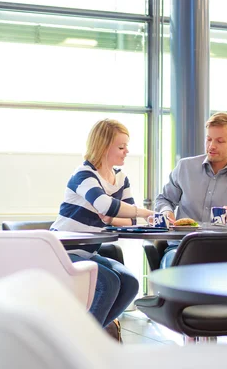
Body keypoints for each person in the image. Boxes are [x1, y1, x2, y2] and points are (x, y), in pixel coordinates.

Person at [154, 112, 227, 347]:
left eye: (219, 141)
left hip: (223, 256)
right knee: (192, 271)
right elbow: (163, 199)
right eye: (209, 139)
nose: (211, 146)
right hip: (182, 252)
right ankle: (199, 344)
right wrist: (166, 212)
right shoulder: (185, 168)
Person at [51, 118, 154, 338]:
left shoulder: (120, 179)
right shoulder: (83, 175)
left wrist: (111, 220)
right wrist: (143, 212)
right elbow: (106, 204)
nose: (127, 151)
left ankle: (86, 336)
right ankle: (84, 344)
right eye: (121, 146)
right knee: (108, 282)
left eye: (127, 145)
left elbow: (129, 220)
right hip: (61, 252)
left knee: (130, 282)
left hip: (88, 252)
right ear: (104, 147)